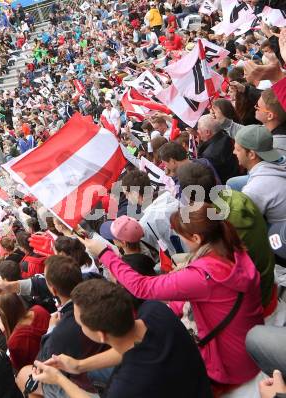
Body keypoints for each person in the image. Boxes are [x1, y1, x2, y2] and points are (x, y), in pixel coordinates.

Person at [82, 204, 264, 393]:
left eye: (181, 236)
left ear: (196, 238)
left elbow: (141, 287)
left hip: (232, 364)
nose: (181, 240)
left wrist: (105, 254)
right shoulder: (231, 247)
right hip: (246, 346)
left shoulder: (204, 276)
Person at [31, 279, 213, 398]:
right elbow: (132, 345)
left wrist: (59, 379)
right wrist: (78, 365)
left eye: (81, 324)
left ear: (100, 335)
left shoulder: (126, 386)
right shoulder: (156, 311)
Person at [176, 162, 276, 310]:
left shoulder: (213, 225)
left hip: (256, 299)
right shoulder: (237, 195)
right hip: (266, 279)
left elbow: (217, 271)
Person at [16, 255, 106, 398]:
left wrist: (51, 330)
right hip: (94, 367)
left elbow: (41, 365)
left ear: (53, 290)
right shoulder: (99, 283)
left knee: (24, 376)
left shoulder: (64, 330)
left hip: (92, 384)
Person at [233, 124, 286, 223]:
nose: (234, 152)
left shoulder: (254, 190)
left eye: (237, 149)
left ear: (251, 154)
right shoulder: (281, 158)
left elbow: (241, 223)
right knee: (233, 183)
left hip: (280, 231)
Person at [0, 293, 50, 371]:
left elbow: (20, 368)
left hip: (40, 370)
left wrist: (6, 332)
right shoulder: (39, 309)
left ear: (3, 314)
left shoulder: (14, 341)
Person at [196, 115, 240, 184]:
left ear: (207, 132)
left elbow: (214, 180)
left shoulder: (209, 155)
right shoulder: (226, 135)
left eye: (199, 129)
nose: (197, 131)